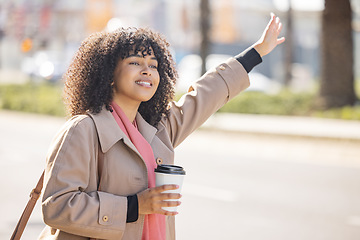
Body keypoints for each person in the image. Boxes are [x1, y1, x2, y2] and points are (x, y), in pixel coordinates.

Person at [39, 13, 285, 240]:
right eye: (135, 62)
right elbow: (57, 207)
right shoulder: (83, 129)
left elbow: (205, 95)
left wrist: (257, 52)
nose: (147, 71)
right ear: (109, 74)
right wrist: (135, 206)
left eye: (154, 65)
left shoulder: (158, 129)